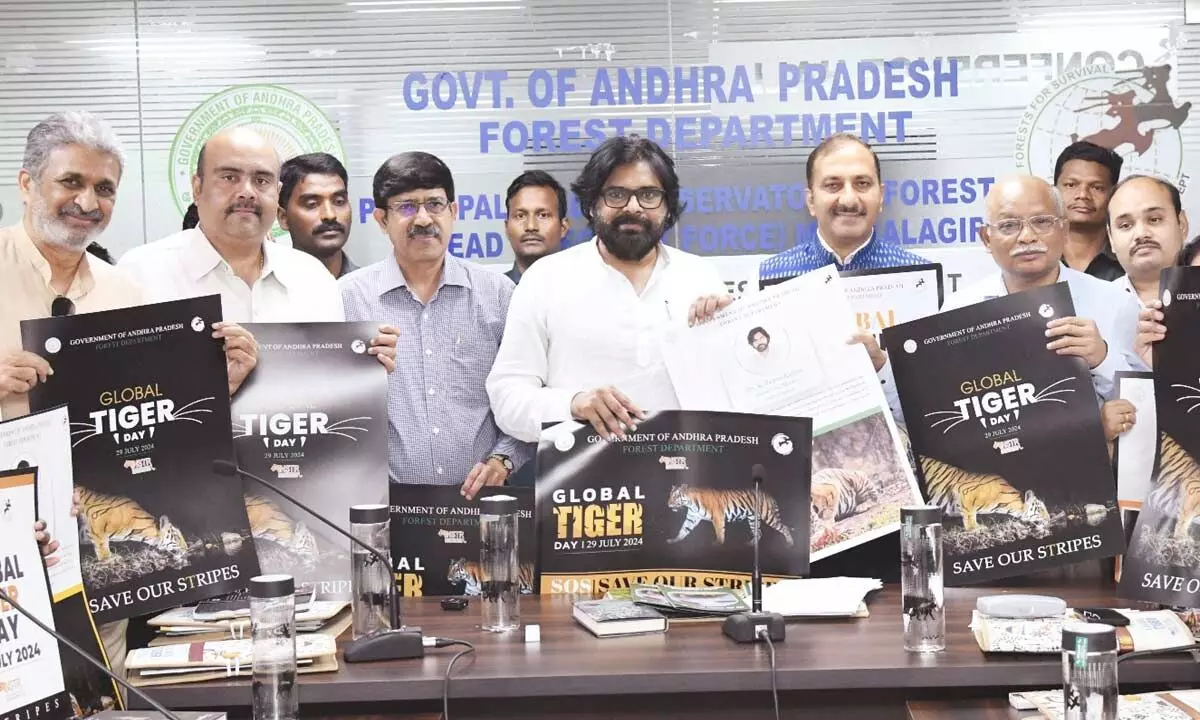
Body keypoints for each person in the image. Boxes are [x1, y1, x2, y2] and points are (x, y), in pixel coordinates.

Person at [0, 110, 252, 685]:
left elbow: (147, 417)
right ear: (26, 183)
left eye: (104, 188)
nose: (88, 202)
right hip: (6, 556)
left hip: (92, 558)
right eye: (72, 182)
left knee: (103, 692)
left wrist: (221, 384)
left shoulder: (124, 293)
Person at [486, 135, 731, 445]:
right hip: (583, 484)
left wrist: (733, 339)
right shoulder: (545, 279)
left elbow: (740, 393)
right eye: (616, 194)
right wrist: (573, 404)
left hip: (688, 478)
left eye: (649, 195)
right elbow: (507, 398)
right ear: (591, 205)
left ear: (668, 207)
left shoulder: (700, 277)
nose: (633, 207)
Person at [339, 151, 530, 498]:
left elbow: (528, 389)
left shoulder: (499, 295)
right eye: (407, 207)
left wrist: (504, 459)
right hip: (384, 505)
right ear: (381, 220)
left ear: (454, 212)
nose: (423, 218)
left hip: (482, 501)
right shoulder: (347, 299)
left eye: (435, 204)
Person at [948, 175, 1144, 402]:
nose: (1027, 237)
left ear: (1064, 229)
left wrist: (1102, 358)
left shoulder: (1116, 303)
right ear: (986, 238)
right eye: (1009, 226)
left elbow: (1147, 407)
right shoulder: (958, 312)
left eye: (1042, 222)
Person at [119, 127, 345, 323]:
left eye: (261, 180)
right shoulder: (140, 274)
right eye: (229, 177)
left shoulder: (313, 279)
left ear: (277, 194)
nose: (247, 192)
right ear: (197, 187)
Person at [759, 133, 927, 282]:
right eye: (833, 185)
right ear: (811, 201)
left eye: (862, 183)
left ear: (881, 196)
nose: (849, 200)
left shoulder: (920, 279)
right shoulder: (769, 278)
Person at [1108, 175, 1188, 308]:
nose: (1141, 234)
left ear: (1182, 225)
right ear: (1111, 238)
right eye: (1126, 225)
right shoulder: (1094, 305)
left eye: (1154, 219)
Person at [277, 152, 358, 278]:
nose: (330, 215)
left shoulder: (370, 292)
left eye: (339, 202)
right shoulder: (264, 293)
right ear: (283, 217)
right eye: (312, 204)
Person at [1053, 141, 1125, 281]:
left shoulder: (1129, 258)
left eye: (1097, 187)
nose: (1083, 195)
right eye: (1071, 185)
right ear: (1054, 191)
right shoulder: (1037, 258)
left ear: (1114, 194)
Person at [503, 170, 569, 284]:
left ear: (563, 227)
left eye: (543, 215)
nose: (531, 226)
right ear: (506, 228)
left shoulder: (585, 290)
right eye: (520, 216)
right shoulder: (492, 293)